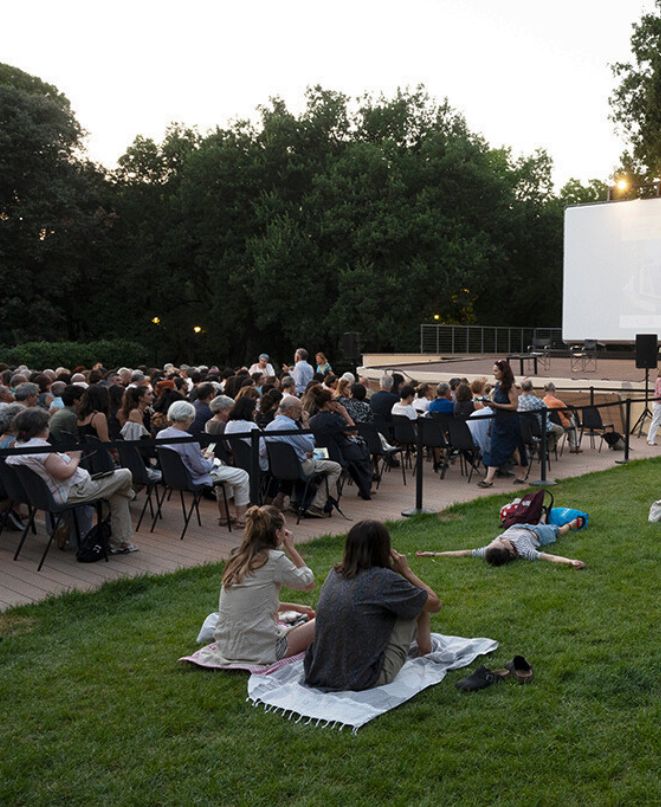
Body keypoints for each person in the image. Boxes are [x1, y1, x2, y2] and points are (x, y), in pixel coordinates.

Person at [304, 520, 442, 691]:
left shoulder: (335, 573)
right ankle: (425, 653)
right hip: (363, 677)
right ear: (384, 549)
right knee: (417, 601)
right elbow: (434, 604)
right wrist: (407, 572)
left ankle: (423, 650)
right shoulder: (384, 580)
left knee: (410, 599)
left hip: (318, 671)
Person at [6, 408, 138, 554]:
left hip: (54, 492)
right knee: (125, 474)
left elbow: (54, 468)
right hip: (74, 491)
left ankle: (120, 542)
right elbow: (64, 473)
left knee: (117, 494)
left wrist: (63, 457)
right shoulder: (41, 449)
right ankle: (119, 539)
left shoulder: (18, 447)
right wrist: (75, 457)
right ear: (42, 428)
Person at [212, 505, 316, 664]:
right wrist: (291, 548)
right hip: (261, 650)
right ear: (277, 533)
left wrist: (298, 608)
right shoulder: (274, 559)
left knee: (279, 617)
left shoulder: (237, 558)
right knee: (323, 621)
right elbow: (308, 582)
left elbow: (257, 603)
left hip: (227, 647)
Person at [157, 401, 250, 527]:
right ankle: (241, 519)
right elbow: (201, 468)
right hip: (193, 476)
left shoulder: (161, 435)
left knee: (227, 475)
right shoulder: (188, 440)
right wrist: (210, 459)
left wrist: (200, 454)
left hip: (174, 476)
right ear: (189, 418)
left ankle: (225, 516)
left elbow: (180, 456)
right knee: (242, 475)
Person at [264, 396, 342, 517]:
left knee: (321, 455)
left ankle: (295, 501)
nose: (301, 412)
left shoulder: (270, 425)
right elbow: (310, 445)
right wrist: (305, 423)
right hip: (299, 465)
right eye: (299, 409)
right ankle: (317, 505)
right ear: (289, 410)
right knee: (336, 466)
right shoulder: (289, 426)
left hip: (280, 466)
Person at [416, 518, 586, 568]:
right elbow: (550, 557)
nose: (498, 539)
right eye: (501, 542)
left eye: (495, 540)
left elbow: (463, 552)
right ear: (511, 551)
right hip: (538, 533)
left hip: (518, 525)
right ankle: (570, 523)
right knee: (560, 531)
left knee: (536, 516)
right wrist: (571, 562)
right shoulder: (525, 551)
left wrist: (434, 554)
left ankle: (542, 516)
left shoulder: (489, 550)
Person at [477, 361, 527, 487]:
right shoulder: (498, 385)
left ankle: (522, 472)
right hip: (498, 421)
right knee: (495, 448)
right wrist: (489, 404)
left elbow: (514, 406)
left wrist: (496, 405)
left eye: (496, 371)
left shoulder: (510, 386)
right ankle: (489, 479)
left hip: (510, 422)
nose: (493, 374)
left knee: (516, 449)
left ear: (503, 372)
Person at [543, 382, 581, 453]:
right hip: (561, 423)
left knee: (571, 420)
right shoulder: (558, 402)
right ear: (554, 390)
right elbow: (569, 413)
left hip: (549, 423)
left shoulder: (543, 401)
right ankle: (574, 446)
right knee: (572, 420)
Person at [648, 367, 661, 446]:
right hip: (658, 403)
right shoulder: (660, 380)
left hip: (658, 403)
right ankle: (650, 440)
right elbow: (660, 392)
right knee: (655, 421)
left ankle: (650, 439)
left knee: (656, 421)